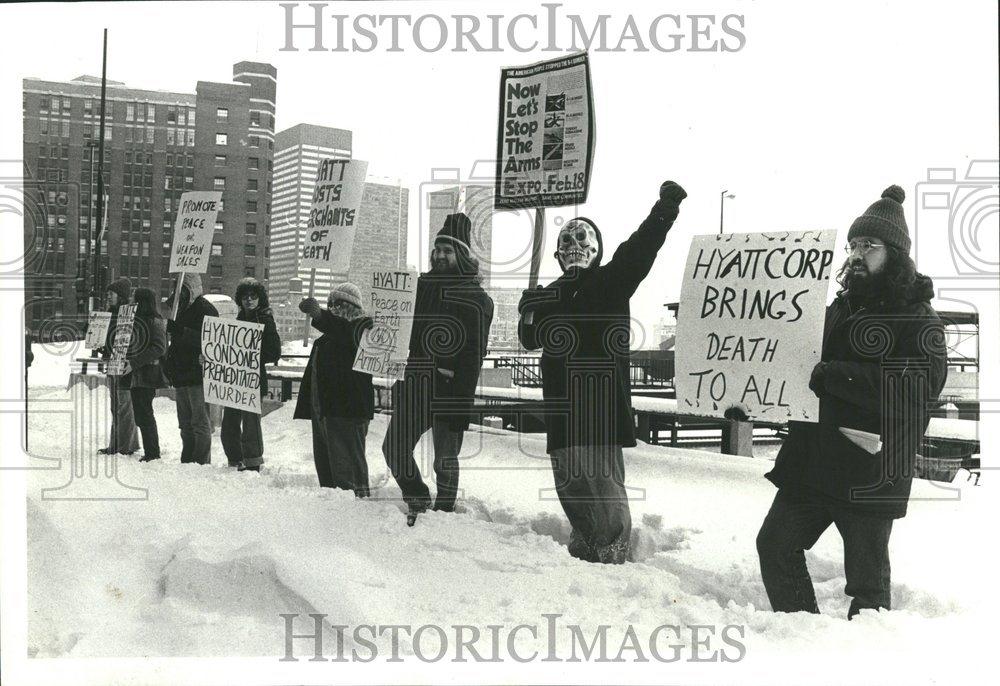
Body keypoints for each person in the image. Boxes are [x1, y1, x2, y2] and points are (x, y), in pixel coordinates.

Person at [757, 185, 948, 619]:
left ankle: (866, 662)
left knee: (866, 582)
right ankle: (800, 633)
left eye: (869, 245)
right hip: (812, 460)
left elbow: (919, 387)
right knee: (775, 545)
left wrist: (835, 376)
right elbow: (801, 363)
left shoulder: (918, 317)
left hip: (869, 467)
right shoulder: (837, 308)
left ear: (895, 254)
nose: (857, 254)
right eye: (854, 245)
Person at [518, 181, 687, 564]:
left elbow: (640, 250)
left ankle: (612, 558)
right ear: (559, 255)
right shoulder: (550, 294)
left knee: (603, 486)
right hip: (561, 403)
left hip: (599, 402)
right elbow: (529, 340)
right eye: (567, 242)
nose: (574, 248)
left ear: (596, 250)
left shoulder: (611, 281)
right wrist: (529, 309)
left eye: (583, 240)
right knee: (571, 483)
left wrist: (664, 212)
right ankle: (585, 546)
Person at [382, 213, 494, 524]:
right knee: (393, 447)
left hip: (450, 387)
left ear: (462, 254)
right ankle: (417, 498)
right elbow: (395, 325)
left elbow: (473, 354)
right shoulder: (419, 288)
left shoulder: (477, 298)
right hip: (416, 381)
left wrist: (462, 402)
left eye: (448, 250)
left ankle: (444, 514)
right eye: (438, 249)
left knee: (445, 460)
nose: (441, 255)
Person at [295, 283, 375, 495]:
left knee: (347, 472)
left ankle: (355, 509)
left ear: (353, 306)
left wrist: (320, 315)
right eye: (330, 304)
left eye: (339, 303)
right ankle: (332, 510)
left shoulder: (364, 329)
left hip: (348, 411)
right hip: (325, 410)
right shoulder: (329, 336)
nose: (333, 308)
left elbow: (344, 331)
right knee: (327, 470)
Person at [221, 278, 281, 472]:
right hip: (235, 378)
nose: (249, 300)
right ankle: (235, 458)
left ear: (260, 299)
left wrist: (252, 354)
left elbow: (274, 352)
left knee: (250, 424)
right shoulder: (239, 319)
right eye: (245, 296)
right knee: (229, 421)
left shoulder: (265, 320)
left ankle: (253, 461)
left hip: (253, 379)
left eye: (253, 296)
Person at [163, 273, 218, 465]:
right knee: (185, 422)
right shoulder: (177, 307)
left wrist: (180, 331)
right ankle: (188, 457)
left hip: (198, 373)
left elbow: (211, 341)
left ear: (191, 289)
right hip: (180, 372)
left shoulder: (206, 310)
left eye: (183, 289)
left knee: (199, 421)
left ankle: (201, 460)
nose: (180, 293)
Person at [121, 287, 168, 462]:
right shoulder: (136, 320)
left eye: (134, 298)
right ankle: (151, 451)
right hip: (137, 374)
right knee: (141, 413)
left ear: (142, 301)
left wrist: (133, 363)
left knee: (145, 413)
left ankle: (152, 452)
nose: (130, 300)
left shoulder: (155, 321)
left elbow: (159, 348)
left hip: (147, 374)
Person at [98, 276, 140, 456]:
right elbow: (109, 342)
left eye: (111, 294)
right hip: (113, 364)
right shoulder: (111, 314)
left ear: (121, 296)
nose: (108, 297)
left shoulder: (129, 316)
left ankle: (125, 446)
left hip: (125, 367)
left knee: (124, 407)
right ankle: (118, 444)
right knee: (116, 407)